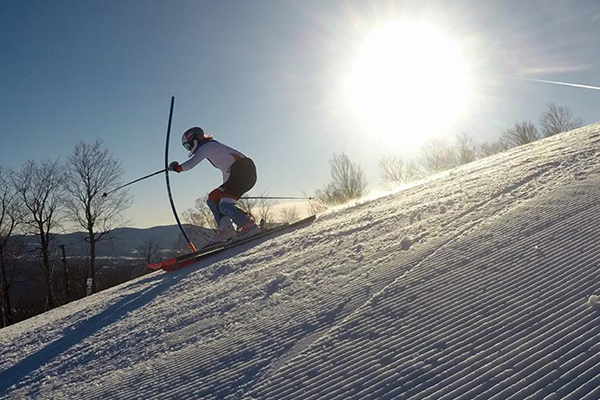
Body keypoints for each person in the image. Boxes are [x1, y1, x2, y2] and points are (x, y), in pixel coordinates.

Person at [168, 127, 259, 244]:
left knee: (224, 204)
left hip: (243, 170)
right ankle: (226, 230)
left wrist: (177, 168)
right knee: (213, 198)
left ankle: (247, 225)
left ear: (194, 139)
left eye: (188, 145)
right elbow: (227, 171)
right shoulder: (213, 149)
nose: (189, 148)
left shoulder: (207, 146)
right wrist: (225, 189)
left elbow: (190, 164)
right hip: (240, 172)